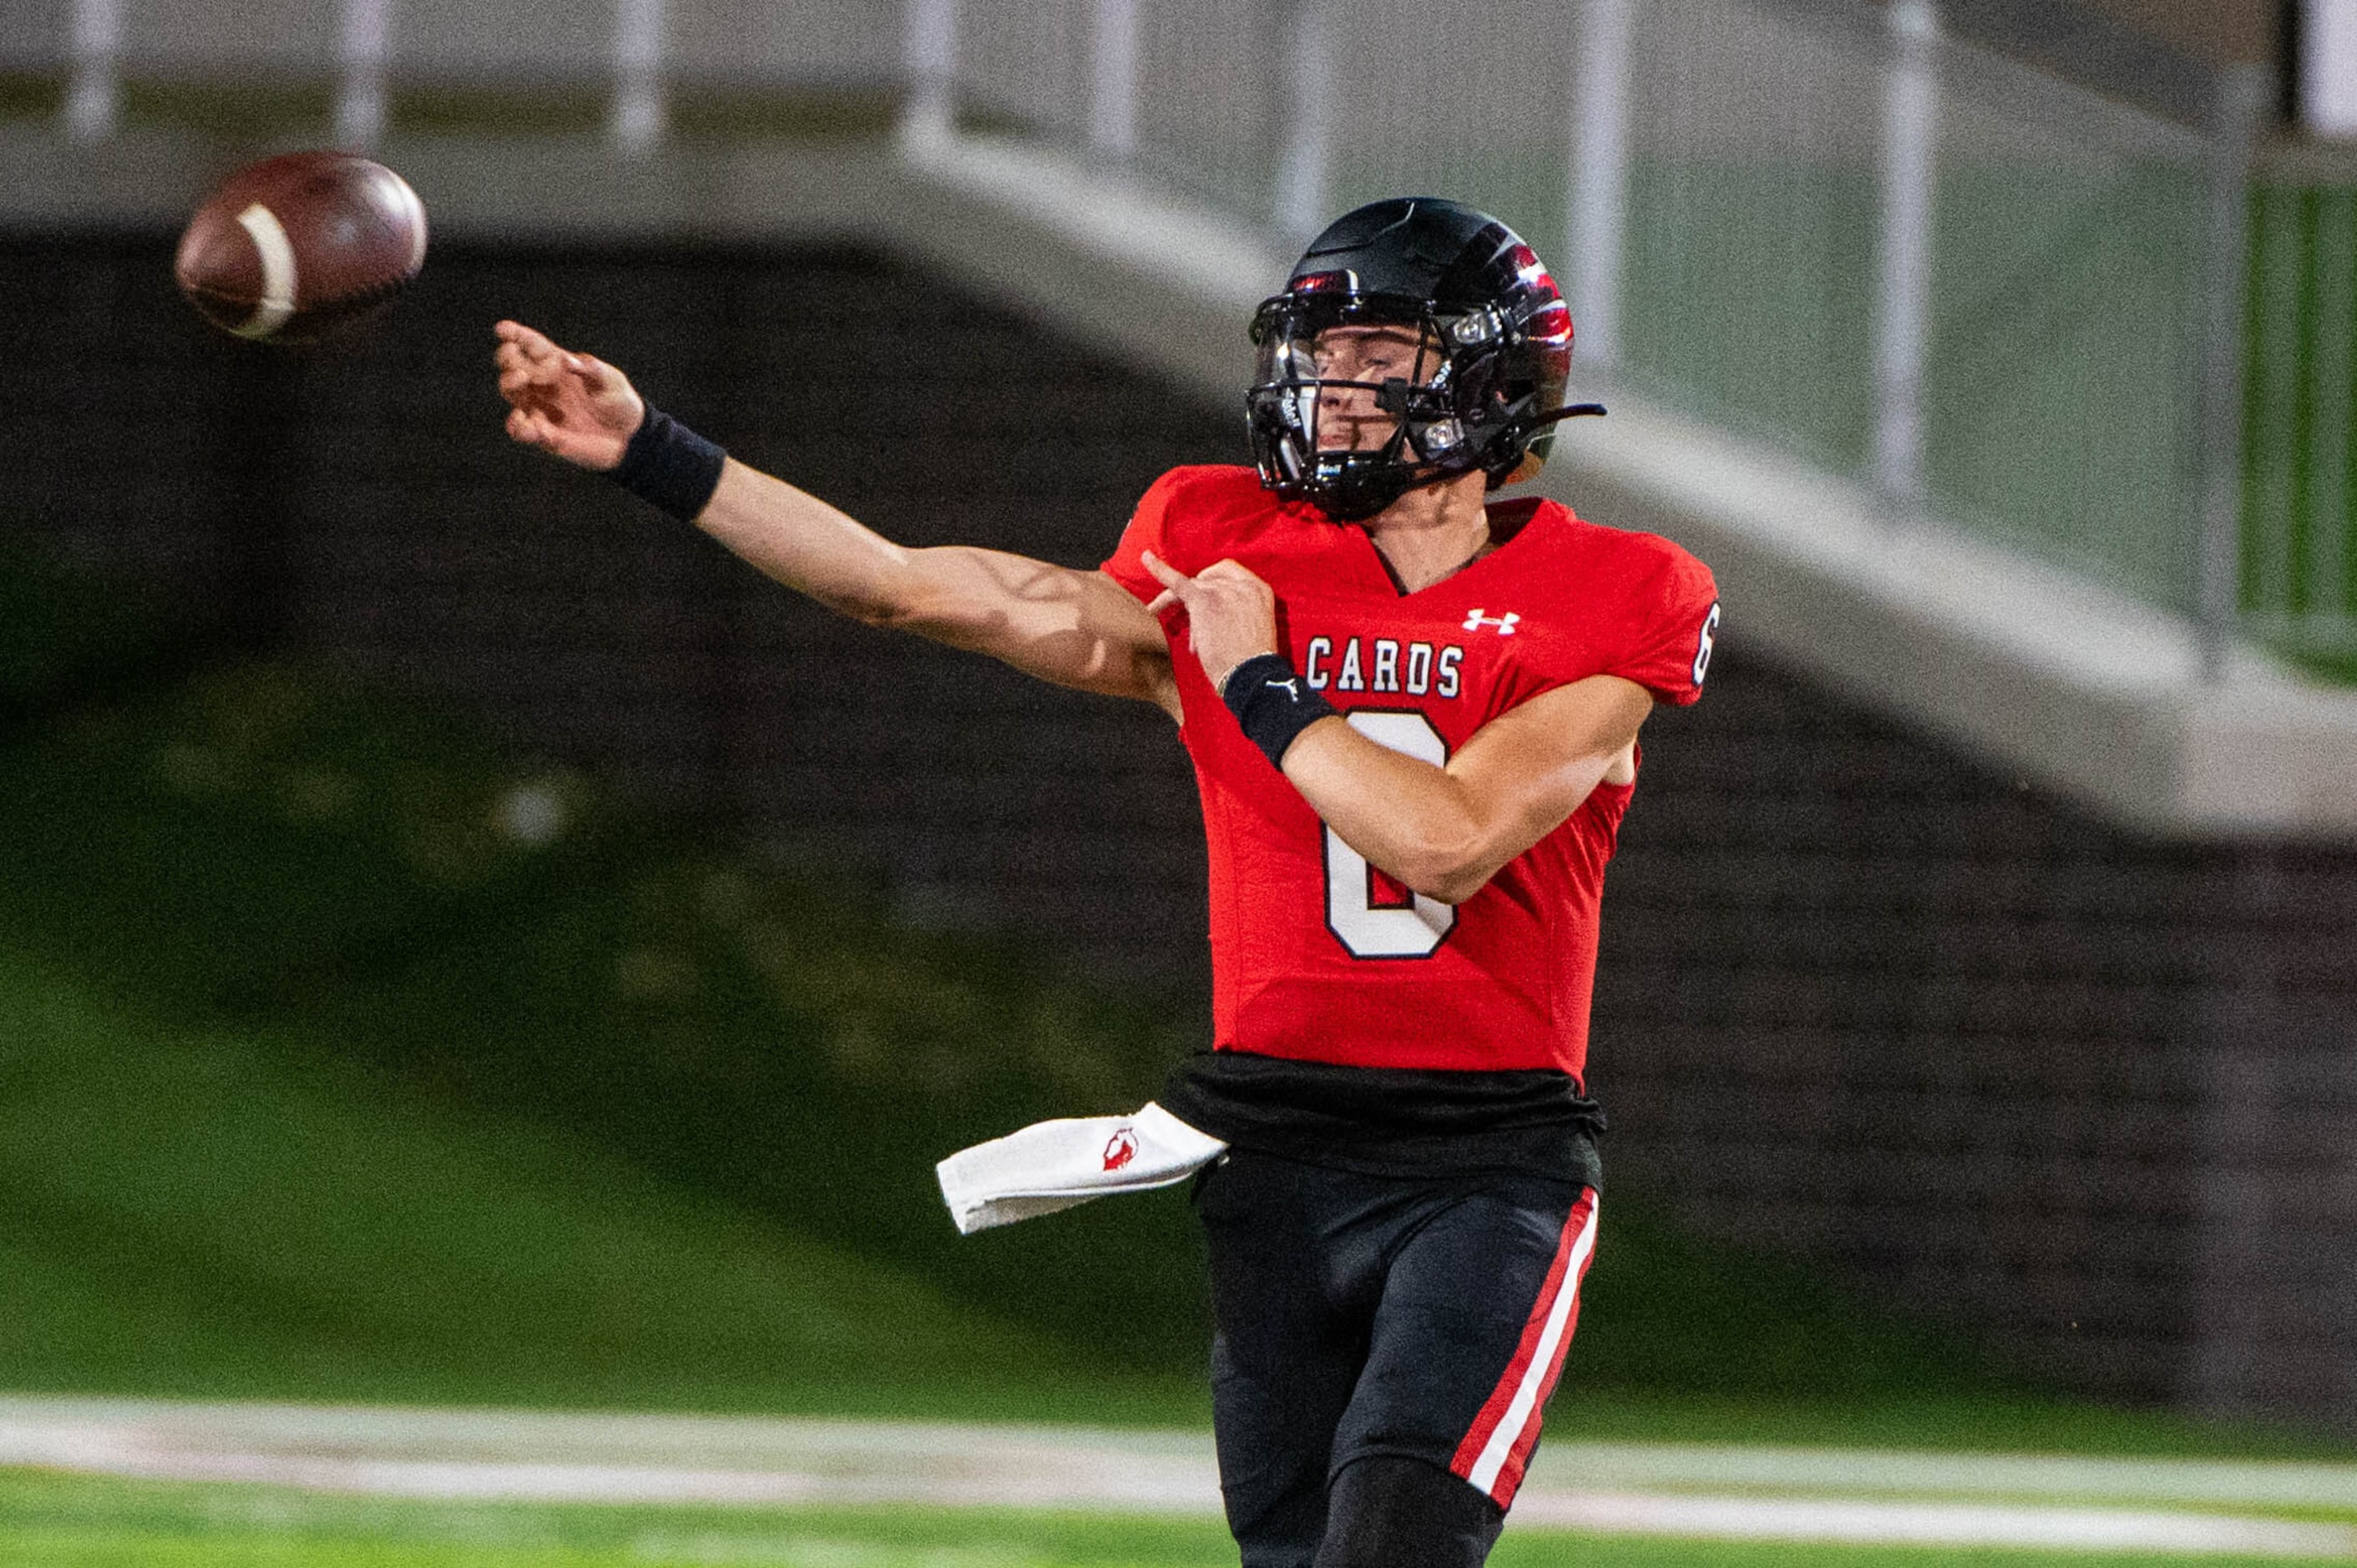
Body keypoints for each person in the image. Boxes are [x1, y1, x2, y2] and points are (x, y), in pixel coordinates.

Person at [495, 196, 1719, 1568]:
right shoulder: (1221, 538)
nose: (1330, 383)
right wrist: (656, 452)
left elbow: (1446, 839)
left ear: (1493, 377)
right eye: (1319, 348)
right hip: (1268, 1149)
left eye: (1375, 349)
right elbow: (913, 588)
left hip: (1484, 1162)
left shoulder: (1618, 590)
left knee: (1394, 1543)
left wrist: (1257, 679)